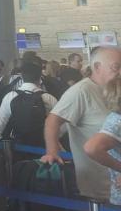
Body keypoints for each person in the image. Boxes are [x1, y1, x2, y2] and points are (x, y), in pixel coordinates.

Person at [41, 46, 121, 201]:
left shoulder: (114, 91)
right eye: (116, 67)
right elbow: (53, 120)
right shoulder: (81, 91)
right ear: (97, 67)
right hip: (99, 186)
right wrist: (52, 151)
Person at [0, 59, 58, 146]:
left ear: (21, 76)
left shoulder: (10, 96)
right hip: (43, 146)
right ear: (40, 77)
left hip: (18, 145)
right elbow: (61, 125)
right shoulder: (49, 98)